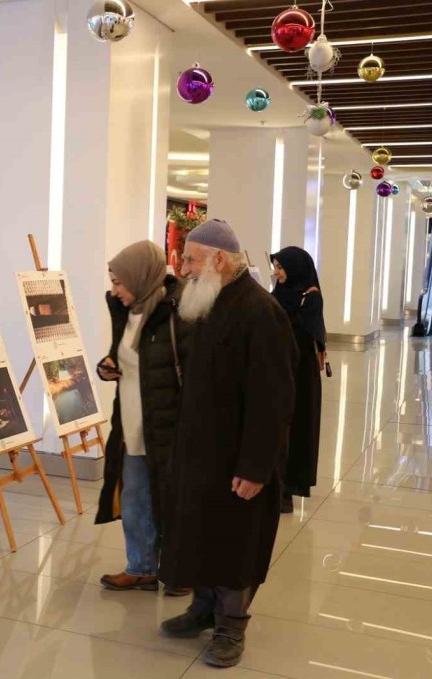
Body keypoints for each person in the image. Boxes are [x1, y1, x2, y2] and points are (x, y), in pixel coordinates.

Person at [158, 219, 298, 668]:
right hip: (200, 452)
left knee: (235, 541)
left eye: (191, 259)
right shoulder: (210, 301)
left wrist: (256, 467)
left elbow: (273, 400)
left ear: (219, 260)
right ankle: (202, 609)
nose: (183, 268)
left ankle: (230, 627)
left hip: (239, 458)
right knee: (198, 532)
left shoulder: (261, 313)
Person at [93, 240, 193, 597]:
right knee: (135, 498)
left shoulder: (178, 310)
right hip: (132, 423)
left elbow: (191, 372)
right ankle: (141, 568)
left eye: (119, 281)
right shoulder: (126, 312)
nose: (114, 289)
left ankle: (179, 571)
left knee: (172, 499)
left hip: (168, 426)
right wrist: (107, 366)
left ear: (139, 276)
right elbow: (123, 357)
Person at [270, 247, 327, 513]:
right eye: (276, 267)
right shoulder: (278, 294)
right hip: (279, 369)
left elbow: (306, 335)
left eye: (281, 268)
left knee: (296, 428)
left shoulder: (311, 297)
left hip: (300, 375)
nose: (276, 272)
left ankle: (287, 489)